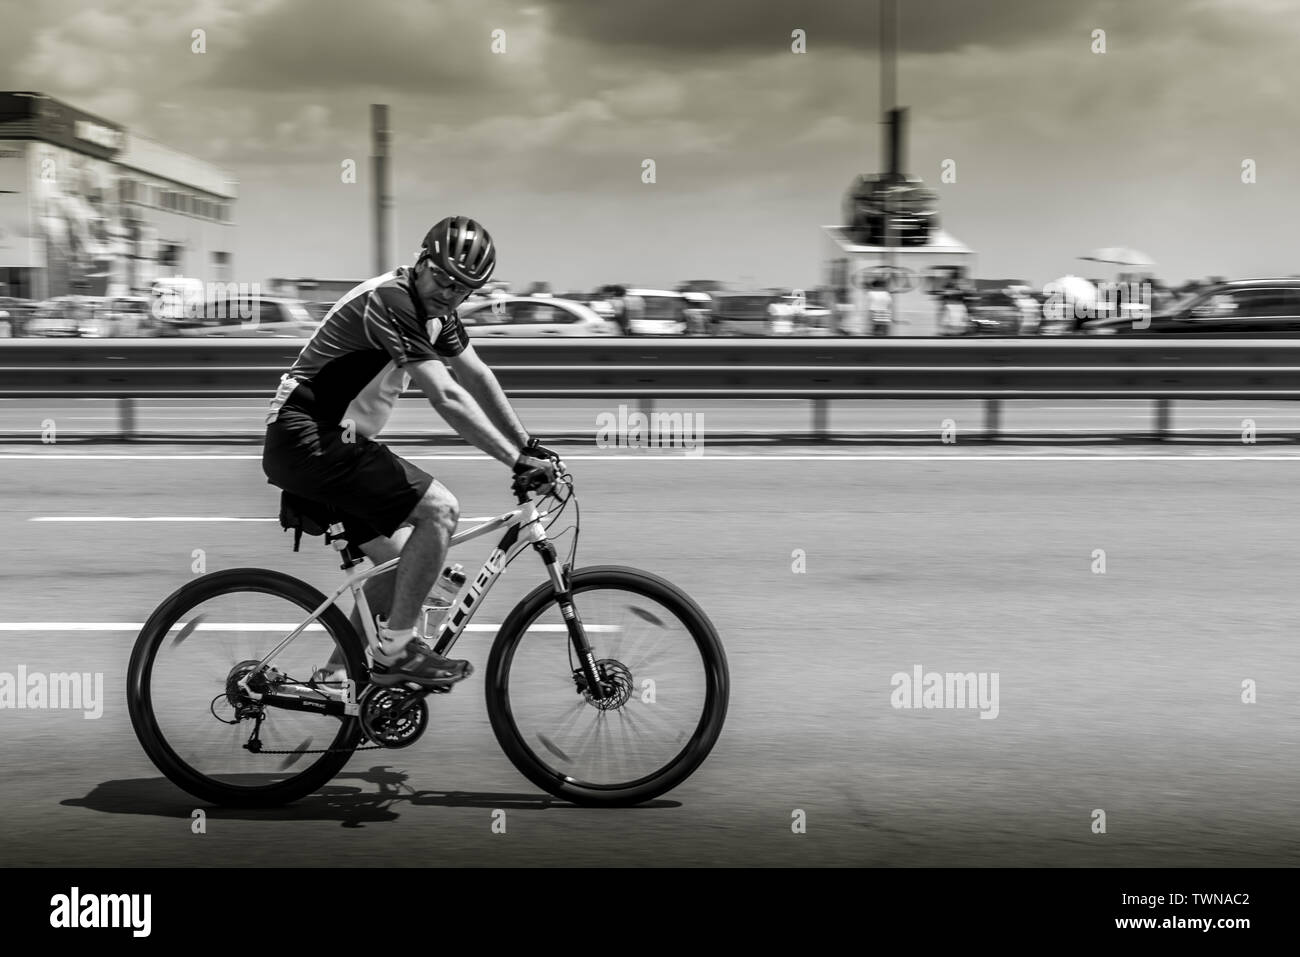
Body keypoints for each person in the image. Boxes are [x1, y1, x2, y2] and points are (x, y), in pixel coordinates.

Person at [261, 216, 560, 690]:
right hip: (311, 436)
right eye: (442, 278)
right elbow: (445, 395)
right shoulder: (393, 300)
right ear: (421, 262)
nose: (448, 293)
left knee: (407, 568)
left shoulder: (437, 311)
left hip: (333, 442)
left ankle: (337, 678)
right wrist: (514, 461)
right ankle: (396, 655)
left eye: (462, 289)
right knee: (440, 512)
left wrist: (528, 445)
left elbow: (476, 376)